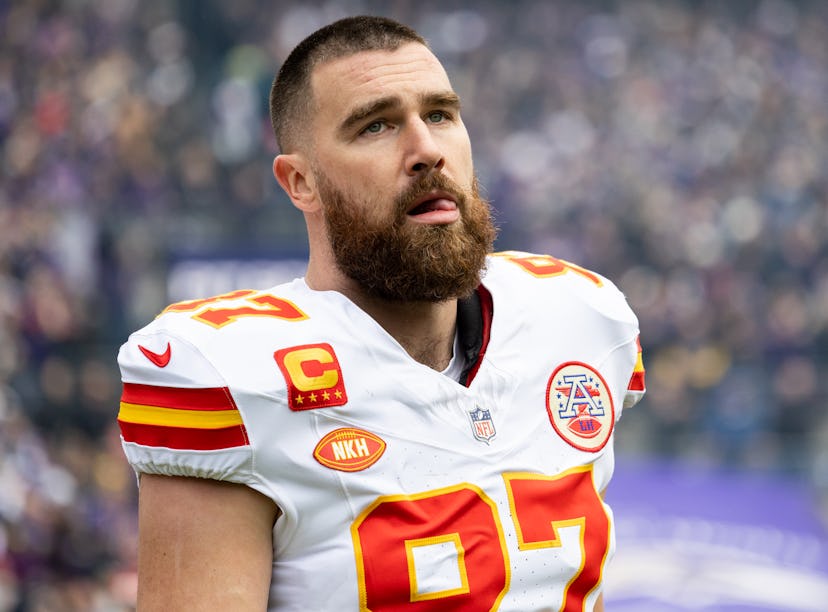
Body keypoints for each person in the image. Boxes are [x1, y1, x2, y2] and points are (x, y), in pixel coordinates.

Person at [116, 15, 645, 611]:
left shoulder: (579, 317)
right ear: (300, 182)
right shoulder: (226, 373)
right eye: (376, 126)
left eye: (440, 114)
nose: (426, 150)